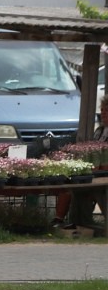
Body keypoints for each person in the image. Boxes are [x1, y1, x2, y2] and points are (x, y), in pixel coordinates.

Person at [52, 92, 108, 228]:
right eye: (102, 110)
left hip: (103, 172)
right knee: (71, 186)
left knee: (97, 189)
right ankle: (62, 221)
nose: (104, 114)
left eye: (107, 111)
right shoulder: (99, 131)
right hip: (96, 171)